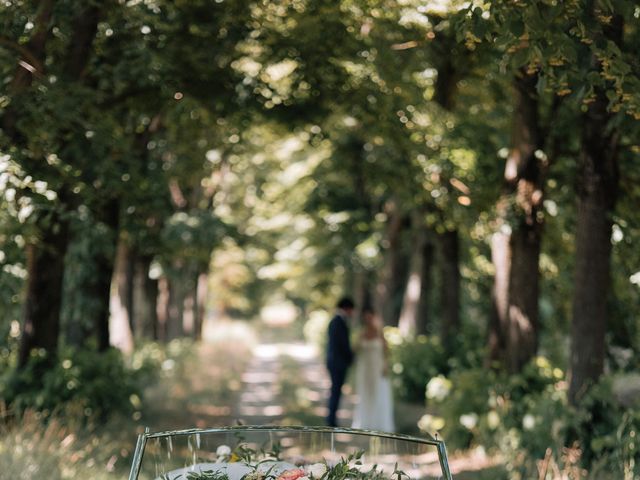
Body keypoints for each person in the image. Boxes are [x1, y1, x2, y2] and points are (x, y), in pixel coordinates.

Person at [351, 306, 395, 432]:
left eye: (370, 317)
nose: (368, 319)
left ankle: (379, 422)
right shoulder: (362, 333)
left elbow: (387, 352)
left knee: (379, 394)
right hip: (365, 369)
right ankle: (365, 421)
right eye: (366, 317)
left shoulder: (380, 333)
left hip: (378, 368)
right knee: (365, 393)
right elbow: (355, 349)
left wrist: (385, 366)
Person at [326, 296, 355, 427]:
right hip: (338, 363)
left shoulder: (336, 321)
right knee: (336, 390)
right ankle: (331, 420)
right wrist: (351, 358)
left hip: (335, 362)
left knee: (335, 390)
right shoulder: (338, 322)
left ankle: (332, 418)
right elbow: (343, 345)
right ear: (347, 308)